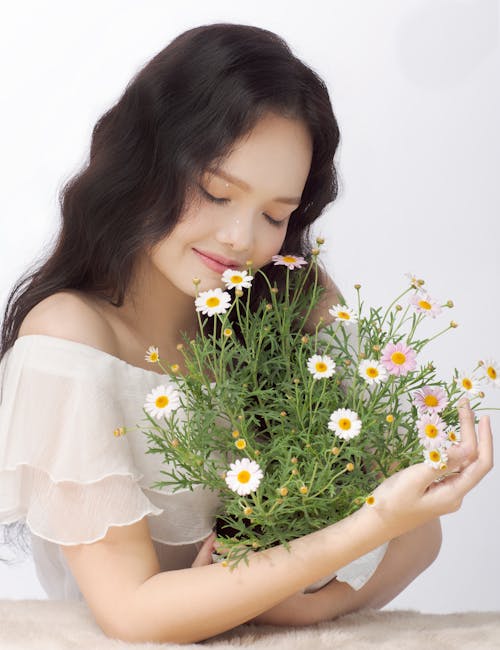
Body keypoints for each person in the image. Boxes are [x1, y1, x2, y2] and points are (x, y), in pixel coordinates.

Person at [0, 22, 493, 644]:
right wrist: (365, 529)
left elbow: (421, 535)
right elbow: (133, 612)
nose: (241, 238)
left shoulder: (292, 300)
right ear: (146, 162)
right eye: (214, 192)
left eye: (274, 215)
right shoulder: (70, 340)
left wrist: (293, 606)